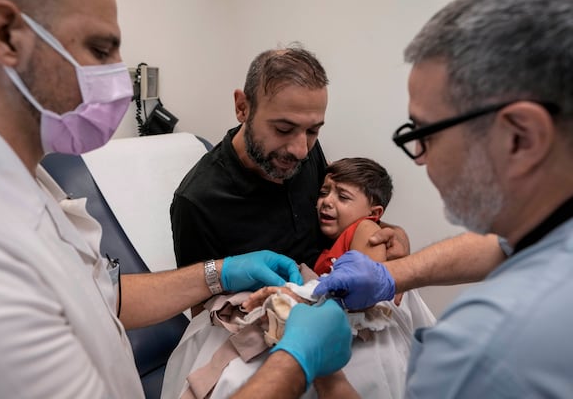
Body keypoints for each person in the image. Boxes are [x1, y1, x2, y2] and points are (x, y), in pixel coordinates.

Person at [0, 0, 352, 397]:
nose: (119, 77)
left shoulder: (32, 185)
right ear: (5, 34)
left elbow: (105, 292)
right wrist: (297, 358)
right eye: (101, 50)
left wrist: (219, 272)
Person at [314, 0, 573, 396]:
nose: (420, 159)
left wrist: (320, 365)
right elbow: (502, 246)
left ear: (520, 137)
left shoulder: (479, 352)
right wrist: (389, 276)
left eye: (424, 135)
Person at [162, 157, 434, 398]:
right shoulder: (329, 244)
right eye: (324, 192)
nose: (326, 200)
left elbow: (367, 280)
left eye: (343, 196)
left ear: (374, 215)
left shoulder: (365, 229)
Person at [170, 45, 410, 272]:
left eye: (313, 130)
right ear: (242, 108)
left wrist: (395, 234)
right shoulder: (197, 202)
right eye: (284, 129)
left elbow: (343, 219)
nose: (301, 151)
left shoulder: (304, 151)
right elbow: (203, 307)